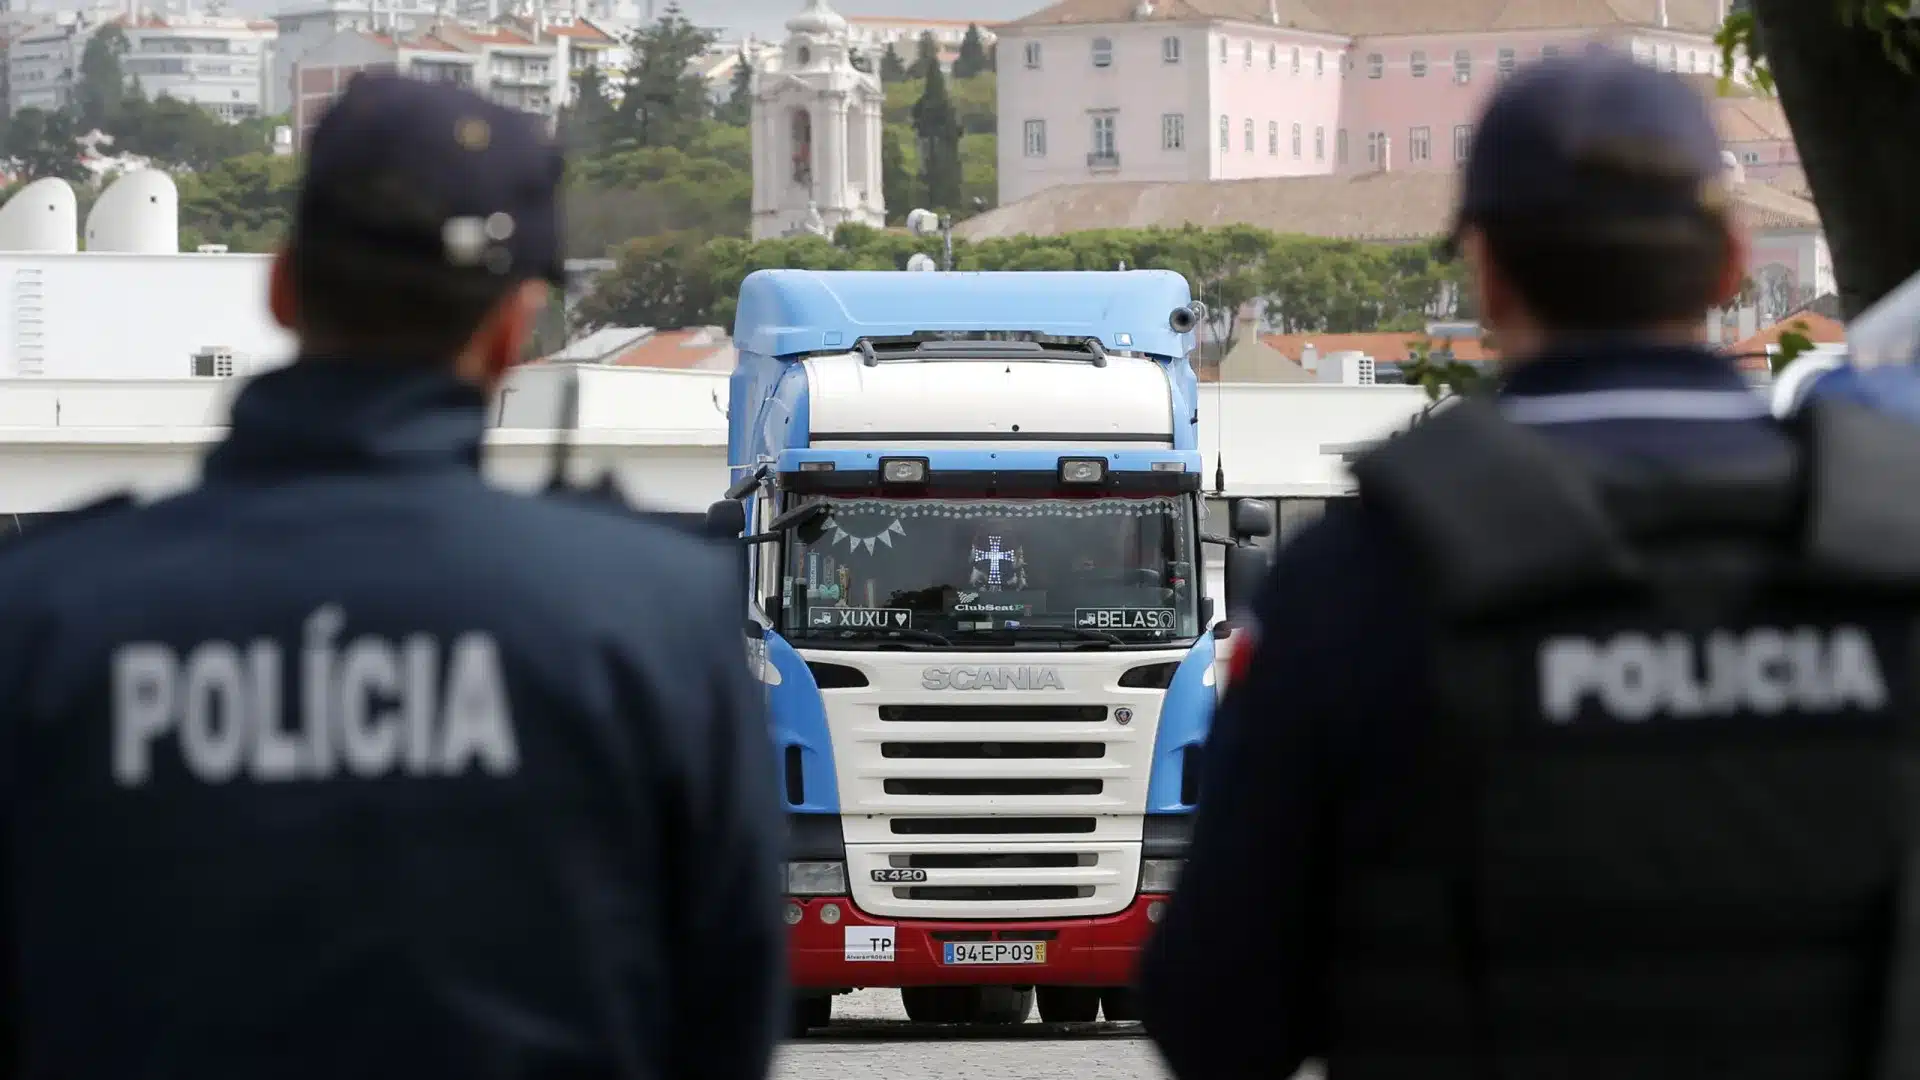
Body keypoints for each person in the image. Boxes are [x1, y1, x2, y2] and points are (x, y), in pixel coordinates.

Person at [1142, 51, 1920, 1079]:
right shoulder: (1895, 547)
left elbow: (1216, 1015)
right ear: (1733, 262)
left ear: (1490, 271)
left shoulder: (1363, 579)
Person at [0, 72, 785, 1079]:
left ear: (282, 286)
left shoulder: (49, 618)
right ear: (513, 330)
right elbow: (721, 1024)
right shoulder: (655, 624)